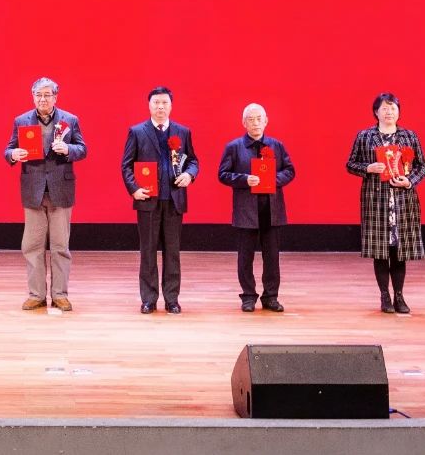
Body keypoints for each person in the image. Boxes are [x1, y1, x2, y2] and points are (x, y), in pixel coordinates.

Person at [4, 77, 87, 312]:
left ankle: (60, 294)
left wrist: (68, 149)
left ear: (55, 97)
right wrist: (13, 154)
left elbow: (83, 149)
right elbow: (8, 149)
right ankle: (36, 294)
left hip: (61, 190)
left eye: (47, 95)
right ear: (33, 96)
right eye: (38, 95)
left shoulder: (70, 120)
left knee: (60, 246)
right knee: (32, 246)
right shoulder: (21, 121)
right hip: (34, 191)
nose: (42, 99)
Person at [345, 93, 425, 314]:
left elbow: (422, 166)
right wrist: (368, 168)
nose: (389, 112)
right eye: (384, 108)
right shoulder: (365, 136)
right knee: (380, 250)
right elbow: (350, 164)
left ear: (399, 112)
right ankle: (384, 295)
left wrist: (409, 181)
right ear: (376, 112)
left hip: (403, 200)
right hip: (376, 200)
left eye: (393, 108)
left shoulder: (409, 136)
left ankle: (399, 295)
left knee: (399, 250)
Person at [121, 86, 199, 314]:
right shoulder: (137, 132)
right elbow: (126, 165)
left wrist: (189, 174)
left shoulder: (182, 132)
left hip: (174, 200)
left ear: (171, 106)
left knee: (172, 252)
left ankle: (172, 299)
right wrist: (134, 189)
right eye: (156, 103)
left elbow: (193, 161)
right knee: (147, 252)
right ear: (149, 105)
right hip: (147, 200)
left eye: (165, 103)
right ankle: (149, 299)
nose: (160, 107)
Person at [217, 103, 295, 313]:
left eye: (259, 118)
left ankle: (271, 296)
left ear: (266, 121)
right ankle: (248, 296)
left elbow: (290, 171)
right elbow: (223, 174)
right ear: (244, 123)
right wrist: (244, 179)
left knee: (272, 257)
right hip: (246, 210)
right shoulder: (234, 147)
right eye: (251, 119)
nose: (255, 123)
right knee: (245, 257)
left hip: (272, 209)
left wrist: (273, 179)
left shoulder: (277, 145)